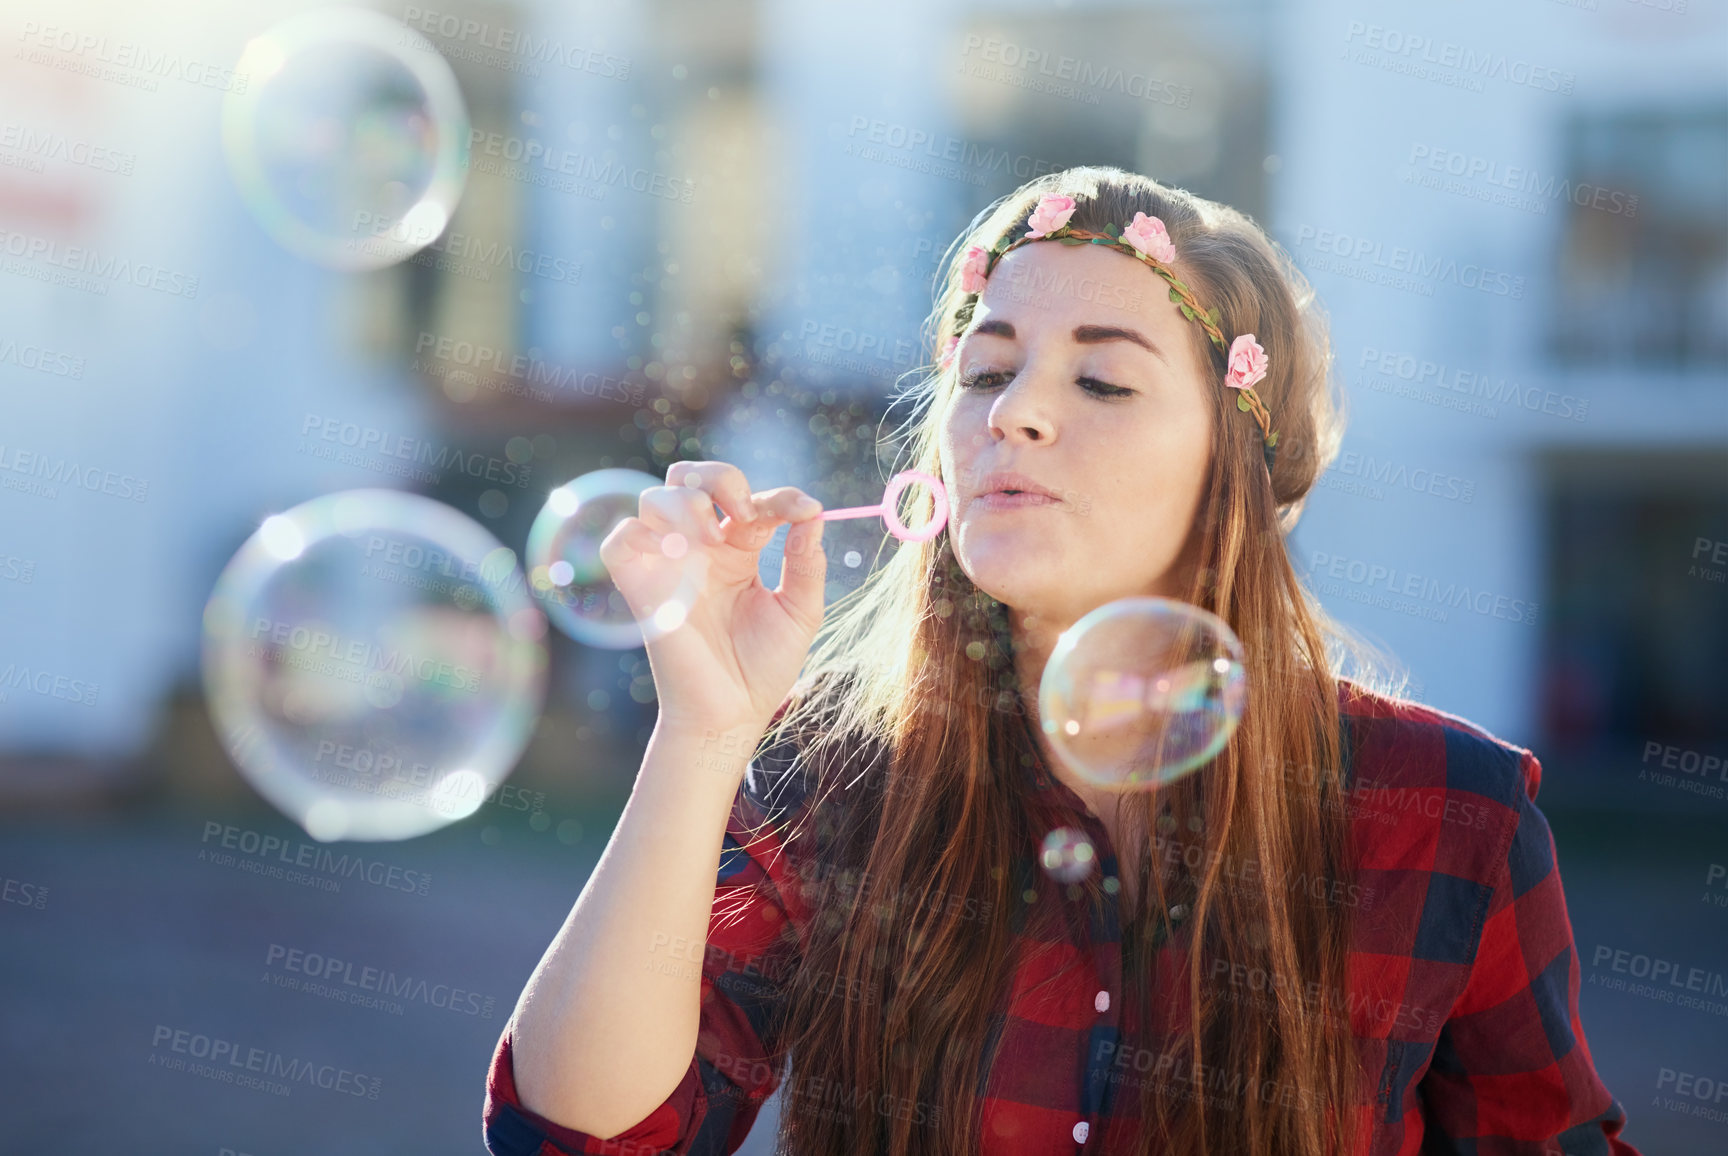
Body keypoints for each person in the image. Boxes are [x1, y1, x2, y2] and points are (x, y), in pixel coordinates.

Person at [481, 167, 1641, 1156]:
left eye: (1101, 378)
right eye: (985, 373)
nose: (1014, 414)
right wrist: (704, 733)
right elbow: (581, 1137)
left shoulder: (1449, 816)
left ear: (1233, 460)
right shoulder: (826, 777)